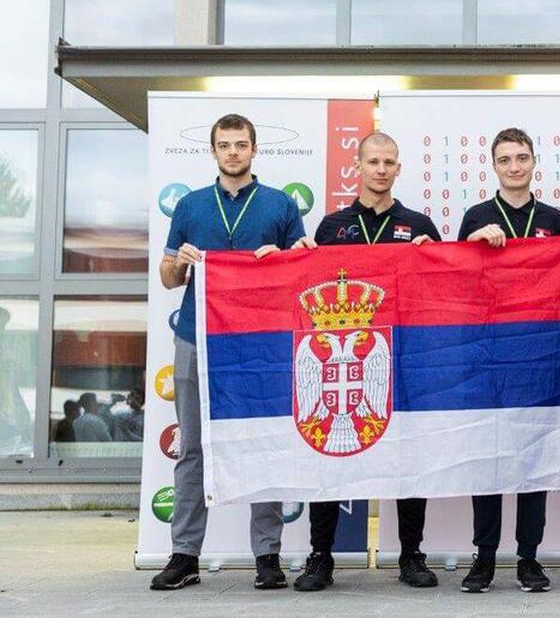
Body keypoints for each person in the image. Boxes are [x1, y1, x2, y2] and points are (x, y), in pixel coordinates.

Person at [150, 113, 315, 591]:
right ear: (213, 151)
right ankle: (185, 555)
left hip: (261, 339)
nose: (233, 152)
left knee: (264, 440)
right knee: (193, 447)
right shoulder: (191, 206)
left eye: (240, 144)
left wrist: (291, 256)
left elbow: (299, 273)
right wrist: (179, 263)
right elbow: (168, 277)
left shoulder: (280, 204)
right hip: (196, 337)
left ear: (254, 149)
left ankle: (267, 556)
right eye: (224, 145)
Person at [293, 131, 442, 593]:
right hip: (343, 361)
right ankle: (321, 556)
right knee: (330, 453)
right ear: (356, 167)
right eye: (373, 161)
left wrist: (432, 258)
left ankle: (411, 555)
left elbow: (440, 292)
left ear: (399, 168)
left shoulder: (419, 225)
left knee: (408, 454)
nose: (381, 169)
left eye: (388, 162)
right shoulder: (331, 226)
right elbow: (307, 285)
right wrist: (295, 261)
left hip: (404, 357)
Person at [456, 127, 560, 594]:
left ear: (535, 162)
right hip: (489, 359)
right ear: (493, 166)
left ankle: (529, 558)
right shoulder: (477, 216)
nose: (514, 167)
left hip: (539, 358)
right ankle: (483, 558)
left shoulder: (553, 218)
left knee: (534, 460)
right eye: (505, 159)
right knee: (488, 461)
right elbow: (458, 281)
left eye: (522, 158)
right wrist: (473, 242)